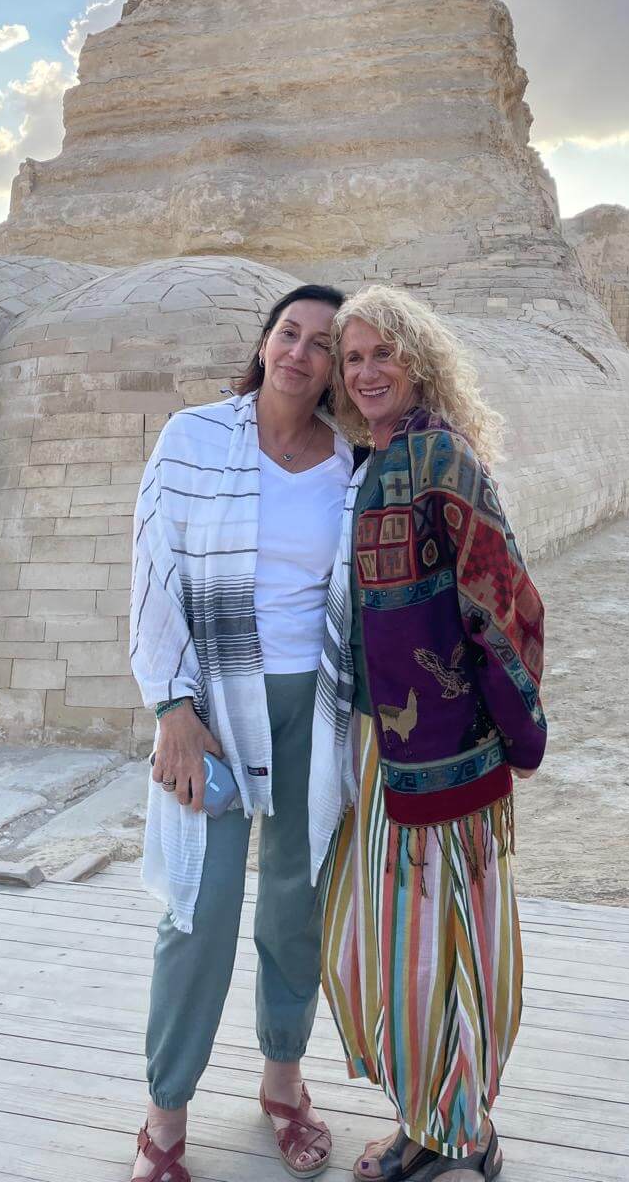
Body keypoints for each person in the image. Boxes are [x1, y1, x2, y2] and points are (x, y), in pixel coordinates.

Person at [128, 285, 357, 1182]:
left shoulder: (351, 460)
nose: (300, 352)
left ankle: (283, 1082)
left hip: (317, 709)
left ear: (334, 368)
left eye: (322, 343)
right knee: (199, 909)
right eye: (288, 333)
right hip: (214, 711)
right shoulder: (191, 439)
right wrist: (171, 711)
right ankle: (164, 1116)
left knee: (296, 906)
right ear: (264, 343)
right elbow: (152, 575)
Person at [319, 285, 547, 1182]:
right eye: (353, 358)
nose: (366, 371)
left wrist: (512, 729)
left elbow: (503, 597)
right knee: (387, 942)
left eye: (383, 352)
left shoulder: (440, 457)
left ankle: (453, 1134)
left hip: (443, 752)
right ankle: (435, 1119)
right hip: (379, 749)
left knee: (438, 945)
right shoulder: (372, 463)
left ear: (418, 359)